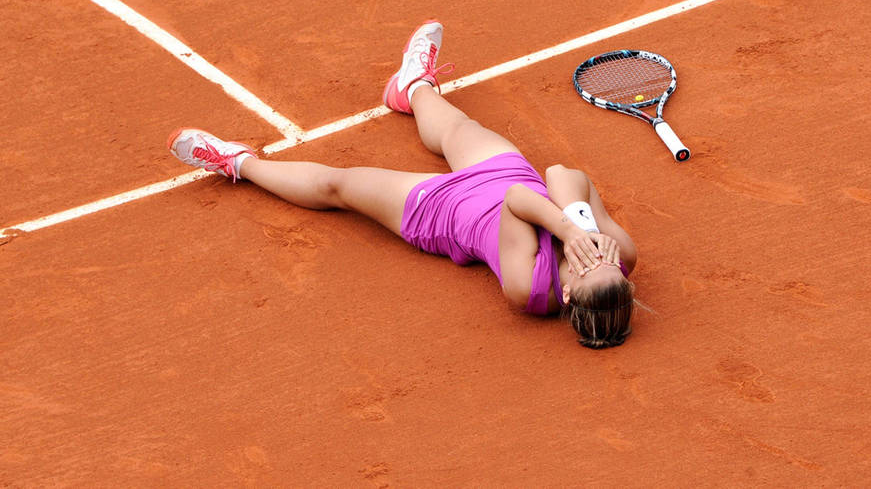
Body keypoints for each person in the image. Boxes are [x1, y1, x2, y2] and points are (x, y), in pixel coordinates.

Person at [167, 22, 638, 348]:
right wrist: (581, 224)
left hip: (446, 213)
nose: (596, 255)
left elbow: (519, 204)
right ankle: (412, 86)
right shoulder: (620, 252)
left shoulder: (528, 290)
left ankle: (236, 163)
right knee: (456, 128)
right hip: (506, 175)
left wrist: (572, 231)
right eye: (607, 263)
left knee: (340, 186)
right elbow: (557, 174)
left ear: (568, 294)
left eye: (585, 268)